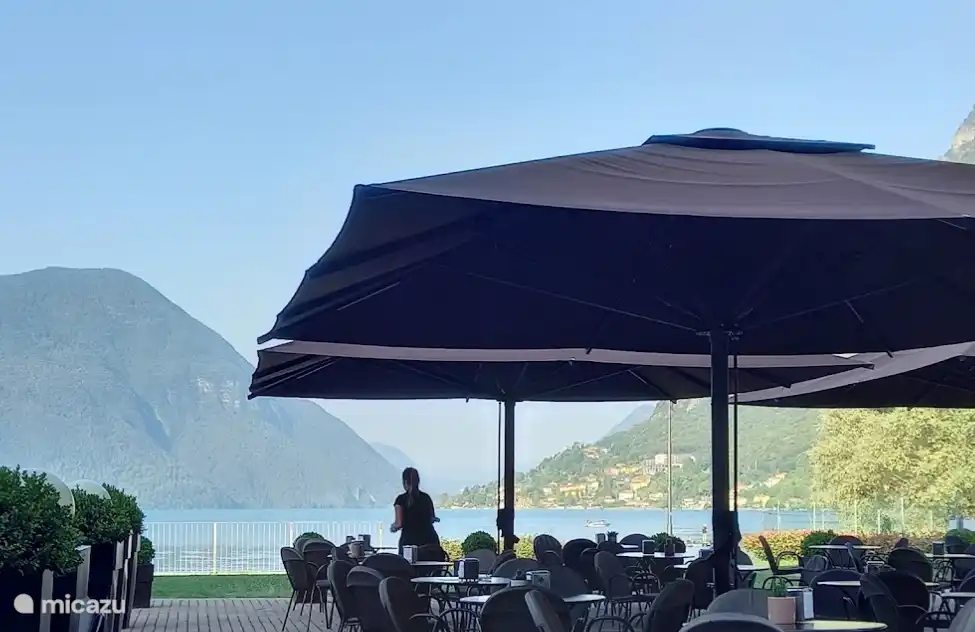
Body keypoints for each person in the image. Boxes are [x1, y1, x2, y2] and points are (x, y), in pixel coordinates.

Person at [390, 467, 440, 548]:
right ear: (418, 481)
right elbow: (431, 518)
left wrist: (392, 528)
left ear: (405, 482)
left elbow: (398, 524)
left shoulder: (401, 500)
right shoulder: (426, 498)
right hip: (430, 542)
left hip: (409, 543)